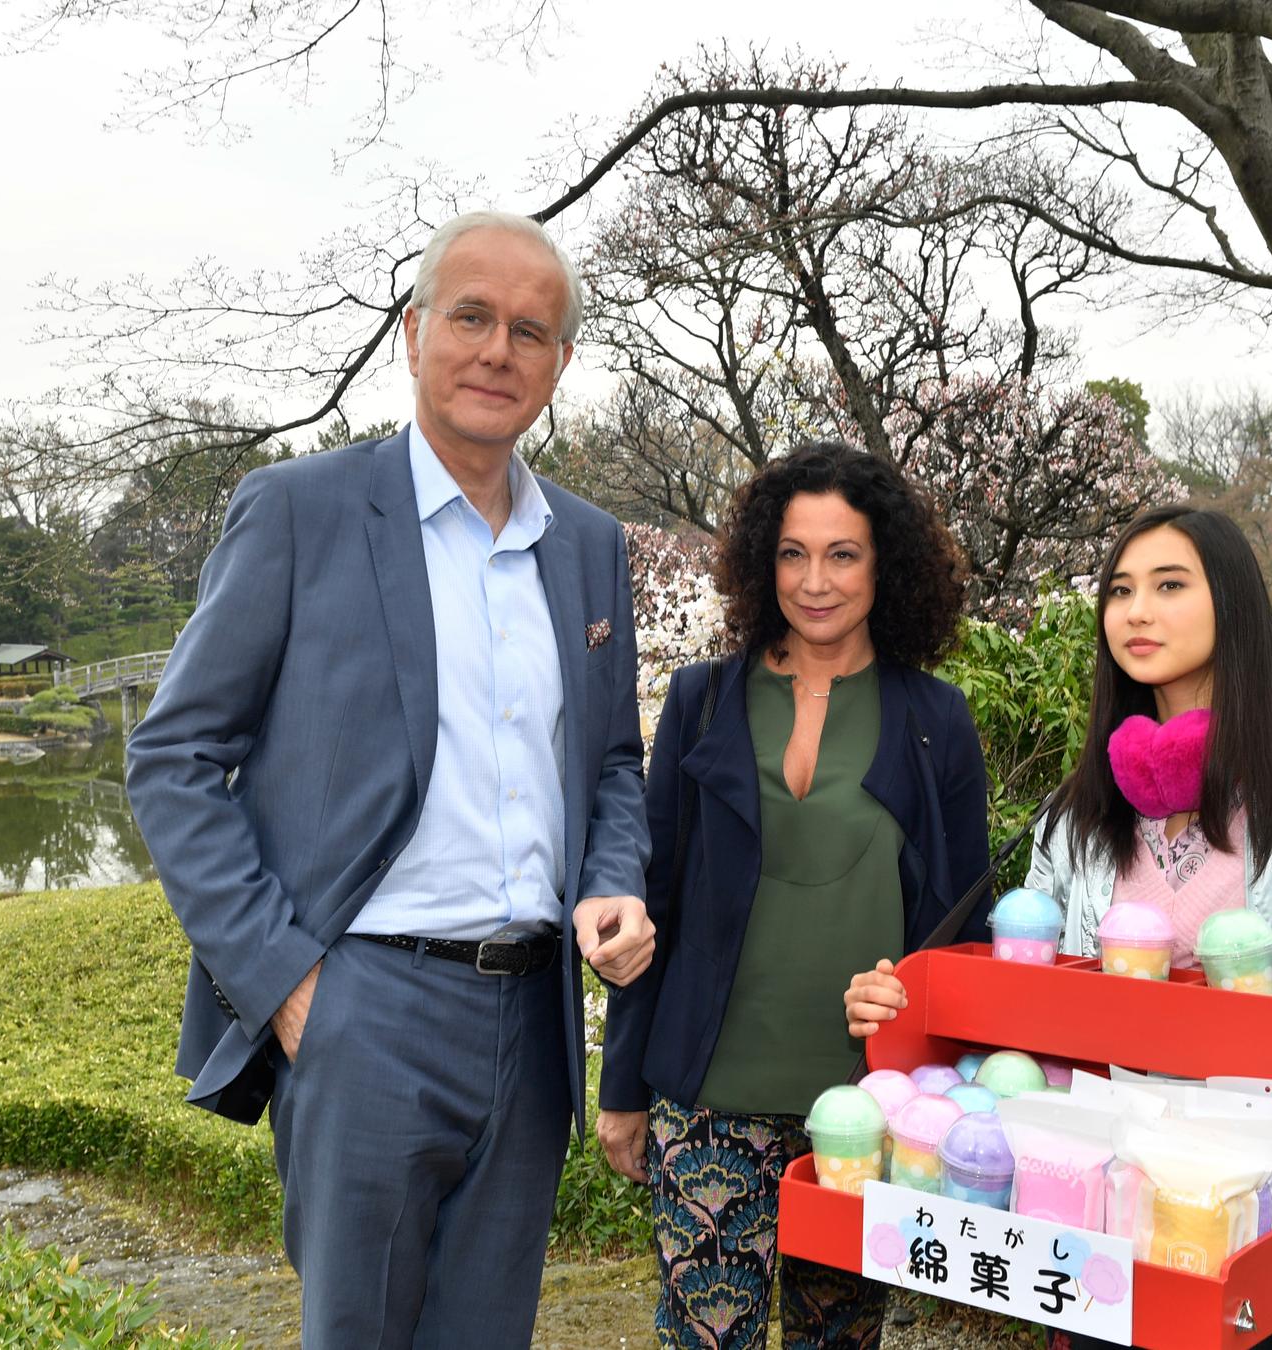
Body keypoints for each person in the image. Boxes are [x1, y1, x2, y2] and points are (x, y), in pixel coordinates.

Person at [124, 210, 655, 1350]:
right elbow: (173, 758)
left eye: (530, 330)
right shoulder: (302, 511)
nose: (496, 350)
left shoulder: (588, 546)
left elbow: (613, 765)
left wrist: (614, 879)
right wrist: (285, 981)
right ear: (413, 334)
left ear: (560, 366)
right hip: (365, 1008)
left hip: (533, 1017)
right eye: (469, 316)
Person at [846, 505, 1272, 1348]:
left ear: (1231, 605)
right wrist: (904, 1009)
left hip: (1260, 1219)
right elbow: (1031, 1005)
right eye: (1120, 590)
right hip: (1096, 1214)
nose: (1136, 611)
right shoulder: (1078, 808)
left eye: (1169, 586)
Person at [600, 443, 990, 1350]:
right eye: (792, 553)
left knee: (839, 1344)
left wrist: (941, 1093)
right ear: (760, 563)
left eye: (842, 554)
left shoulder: (936, 721)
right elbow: (649, 905)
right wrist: (622, 1087)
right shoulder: (702, 700)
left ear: (885, 565)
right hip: (707, 1098)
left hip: (862, 1105)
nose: (815, 581)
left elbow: (961, 930)